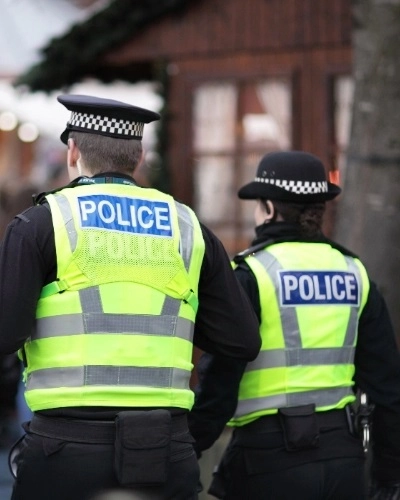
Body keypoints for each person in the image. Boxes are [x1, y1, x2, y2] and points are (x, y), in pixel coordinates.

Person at [0, 94, 261, 500]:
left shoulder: (42, 223)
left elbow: (6, 335)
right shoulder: (188, 227)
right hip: (164, 449)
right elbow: (241, 341)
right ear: (138, 159)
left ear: (73, 152)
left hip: (66, 449)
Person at [188, 151, 400, 500]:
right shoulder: (353, 272)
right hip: (343, 461)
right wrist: (389, 475)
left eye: (258, 205)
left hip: (268, 461)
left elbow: (220, 382)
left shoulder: (252, 274)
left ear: (269, 208)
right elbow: (387, 386)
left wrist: (187, 446)